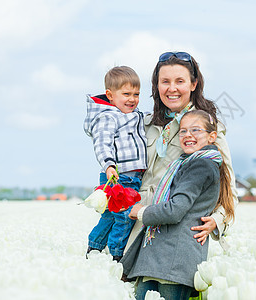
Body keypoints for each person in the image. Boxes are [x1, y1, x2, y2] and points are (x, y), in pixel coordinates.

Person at [124, 51, 238, 253]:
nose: (172, 88)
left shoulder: (209, 128)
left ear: (193, 85)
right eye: (165, 81)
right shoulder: (144, 124)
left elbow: (228, 187)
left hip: (172, 233)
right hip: (132, 226)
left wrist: (217, 221)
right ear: (156, 86)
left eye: (180, 81)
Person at [121, 110, 235, 300]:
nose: (188, 135)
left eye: (195, 130)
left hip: (174, 261)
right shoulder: (186, 163)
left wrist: (141, 212)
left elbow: (175, 210)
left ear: (212, 136)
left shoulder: (201, 166)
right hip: (162, 258)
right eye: (183, 131)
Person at [83, 66, 147, 261]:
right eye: (126, 94)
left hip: (131, 176)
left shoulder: (133, 115)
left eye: (136, 94)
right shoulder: (107, 116)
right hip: (119, 175)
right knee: (124, 217)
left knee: (110, 216)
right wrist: (109, 165)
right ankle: (116, 256)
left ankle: (94, 247)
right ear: (110, 95)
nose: (132, 99)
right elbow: (102, 143)